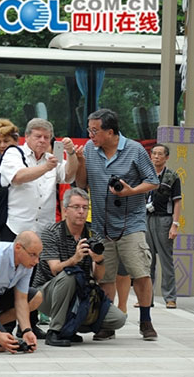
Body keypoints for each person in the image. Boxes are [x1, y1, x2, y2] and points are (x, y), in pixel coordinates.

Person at [75, 108, 159, 340]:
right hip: (101, 225)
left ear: (110, 132)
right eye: (89, 130)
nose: (90, 135)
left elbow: (153, 181)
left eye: (95, 130)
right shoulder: (90, 150)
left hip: (131, 223)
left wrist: (131, 191)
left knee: (140, 272)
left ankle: (146, 321)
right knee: (105, 276)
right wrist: (80, 161)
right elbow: (82, 183)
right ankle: (107, 321)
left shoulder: (134, 149)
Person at [34, 188, 126, 346]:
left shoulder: (92, 234)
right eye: (76, 207)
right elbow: (55, 269)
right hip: (45, 293)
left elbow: (97, 277)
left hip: (78, 293)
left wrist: (99, 261)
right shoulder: (51, 232)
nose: (81, 212)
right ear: (65, 210)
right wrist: (74, 259)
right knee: (70, 275)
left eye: (85, 207)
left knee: (118, 319)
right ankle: (55, 331)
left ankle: (70, 327)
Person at [0, 117, 79, 240]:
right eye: (38, 136)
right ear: (27, 136)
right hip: (16, 229)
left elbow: (68, 176)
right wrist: (46, 168)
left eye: (46, 137)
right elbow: (18, 177)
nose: (42, 140)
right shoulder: (13, 153)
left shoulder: (51, 158)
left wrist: (71, 153)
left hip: (45, 230)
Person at [145, 143, 182, 309]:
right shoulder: (145, 175)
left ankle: (170, 297)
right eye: (154, 153)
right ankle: (146, 297)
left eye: (160, 154)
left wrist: (175, 224)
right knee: (147, 259)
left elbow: (177, 202)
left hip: (164, 220)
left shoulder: (172, 177)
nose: (156, 156)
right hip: (146, 219)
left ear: (166, 157)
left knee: (166, 259)